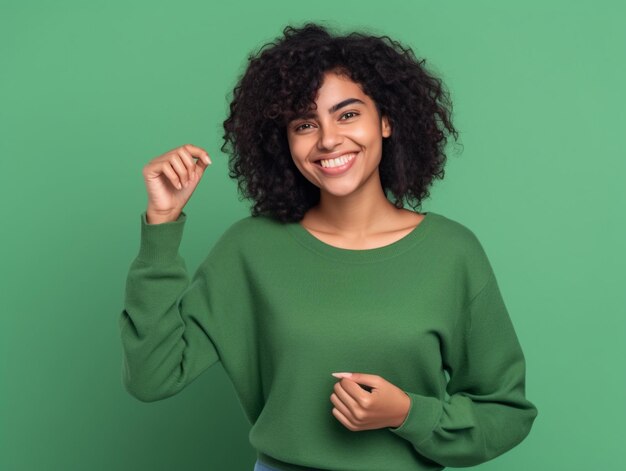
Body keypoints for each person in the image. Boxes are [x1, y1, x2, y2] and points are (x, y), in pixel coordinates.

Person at [119, 22, 538, 471]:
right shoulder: (251, 249)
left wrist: (407, 414)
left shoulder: (452, 252)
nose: (328, 139)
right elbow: (152, 376)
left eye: (347, 114)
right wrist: (161, 224)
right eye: (304, 123)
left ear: (387, 120)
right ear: (286, 141)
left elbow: (506, 412)